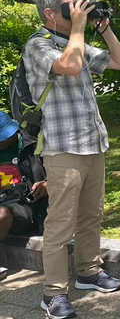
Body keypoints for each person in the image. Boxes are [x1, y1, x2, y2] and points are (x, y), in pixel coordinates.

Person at [25, 0, 120, 319]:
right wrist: (80, 30)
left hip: (93, 143)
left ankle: (88, 271)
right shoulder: (37, 45)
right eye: (72, 8)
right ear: (50, 14)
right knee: (60, 223)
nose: (78, 11)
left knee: (91, 215)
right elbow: (69, 66)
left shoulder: (79, 41)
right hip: (62, 147)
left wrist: (103, 27)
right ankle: (53, 293)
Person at [0, 112, 49, 282]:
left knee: (1, 214)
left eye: (2, 138)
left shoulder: (34, 146)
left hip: (26, 205)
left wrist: (48, 183)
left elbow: (60, 173)